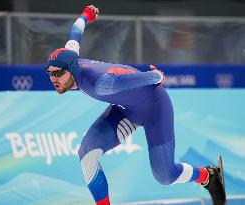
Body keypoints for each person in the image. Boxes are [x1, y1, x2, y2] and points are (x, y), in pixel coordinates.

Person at [45, 5, 226, 205]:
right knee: (86, 155)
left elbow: (129, 79)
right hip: (125, 110)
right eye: (50, 73)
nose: (54, 78)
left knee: (165, 176)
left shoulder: (101, 84)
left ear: (71, 69)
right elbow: (76, 31)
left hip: (155, 108)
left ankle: (208, 176)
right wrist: (86, 15)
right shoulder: (71, 58)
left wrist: (156, 76)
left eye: (57, 73)